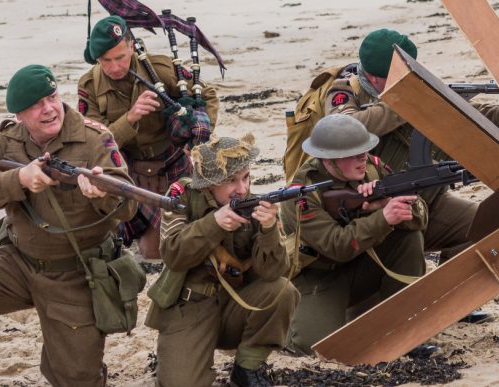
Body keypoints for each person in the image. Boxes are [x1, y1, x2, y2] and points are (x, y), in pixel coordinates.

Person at [0, 65, 136, 387]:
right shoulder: (6, 139)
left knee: (78, 378)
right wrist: (19, 179)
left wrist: (101, 195)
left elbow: (129, 207)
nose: (49, 109)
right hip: (18, 261)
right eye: (37, 105)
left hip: (77, 273)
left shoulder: (95, 138)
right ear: (19, 115)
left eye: (52, 97)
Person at [325, 28, 499, 263]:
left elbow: (464, 115)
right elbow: (346, 130)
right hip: (371, 210)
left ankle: (451, 290)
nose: (404, 78)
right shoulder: (344, 92)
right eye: (397, 75)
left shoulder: (409, 89)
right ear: (375, 77)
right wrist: (403, 100)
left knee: (485, 226)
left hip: (426, 199)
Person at [145, 134, 300, 387]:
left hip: (235, 305)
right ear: (209, 183)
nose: (242, 189)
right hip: (188, 308)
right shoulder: (182, 196)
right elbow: (172, 254)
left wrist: (270, 229)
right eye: (231, 181)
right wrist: (213, 224)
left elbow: (273, 272)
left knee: (282, 291)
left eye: (246, 177)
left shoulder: (254, 205)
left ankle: (248, 366)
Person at [279, 115, 428, 356]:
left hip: (360, 264)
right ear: (329, 159)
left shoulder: (372, 167)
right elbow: (335, 246)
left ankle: (402, 326)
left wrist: (387, 203)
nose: (363, 157)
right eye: (353, 153)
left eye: (365, 150)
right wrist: (382, 219)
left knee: (408, 238)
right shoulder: (302, 193)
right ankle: (283, 320)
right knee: (314, 347)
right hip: (318, 276)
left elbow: (420, 219)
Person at [78, 15, 219, 260]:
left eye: (120, 57)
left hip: (173, 165)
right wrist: (130, 118)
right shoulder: (89, 86)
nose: (114, 67)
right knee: (128, 245)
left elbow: (205, 96)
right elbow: (94, 143)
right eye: (105, 60)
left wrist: (197, 138)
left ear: (131, 45)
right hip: (127, 170)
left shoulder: (161, 70)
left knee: (169, 245)